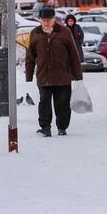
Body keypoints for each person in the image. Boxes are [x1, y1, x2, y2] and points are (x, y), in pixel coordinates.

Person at [25, 7, 83, 137]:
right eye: (43, 20)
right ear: (40, 20)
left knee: (62, 104)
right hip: (43, 75)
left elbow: (73, 54)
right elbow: (30, 56)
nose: (46, 23)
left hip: (62, 76)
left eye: (49, 20)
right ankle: (45, 127)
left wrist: (78, 75)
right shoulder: (35, 33)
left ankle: (62, 127)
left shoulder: (64, 32)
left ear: (54, 19)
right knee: (44, 102)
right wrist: (29, 76)